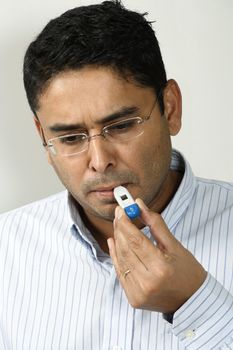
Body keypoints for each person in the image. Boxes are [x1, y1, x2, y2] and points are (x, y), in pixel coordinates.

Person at [0, 1, 232, 349]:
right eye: (70, 138)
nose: (99, 161)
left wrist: (195, 304)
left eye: (122, 125)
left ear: (170, 108)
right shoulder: (6, 249)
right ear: (43, 138)